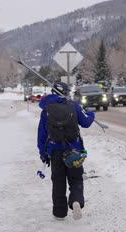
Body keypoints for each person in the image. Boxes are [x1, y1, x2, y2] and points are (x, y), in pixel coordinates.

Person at [37, 82, 95, 221]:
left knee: (58, 182)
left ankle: (59, 213)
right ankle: (76, 200)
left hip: (55, 151)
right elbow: (86, 122)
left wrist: (43, 154)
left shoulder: (46, 109)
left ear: (52, 92)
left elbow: (42, 134)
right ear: (66, 92)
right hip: (73, 150)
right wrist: (90, 113)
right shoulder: (73, 106)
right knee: (75, 179)